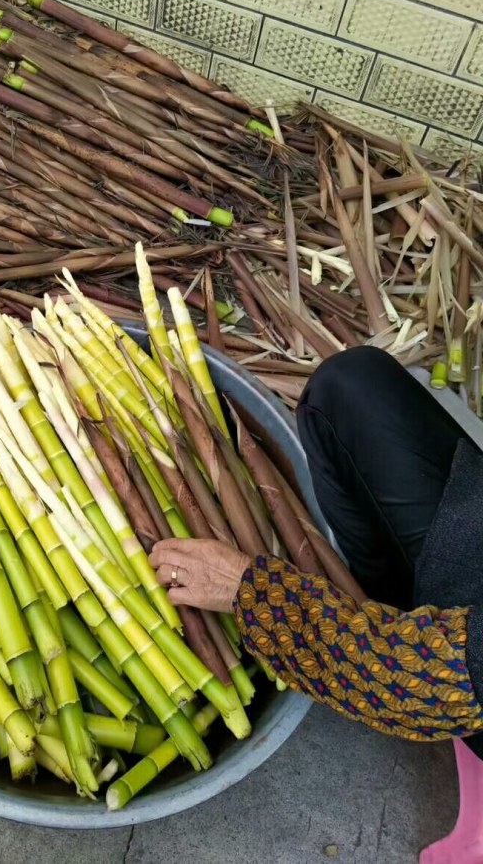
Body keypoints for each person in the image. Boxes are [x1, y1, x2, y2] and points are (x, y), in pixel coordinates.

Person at [150, 346, 483, 862]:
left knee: (443, 677)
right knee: (346, 387)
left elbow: (416, 677)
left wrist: (245, 589)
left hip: (461, 664)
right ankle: (390, 617)